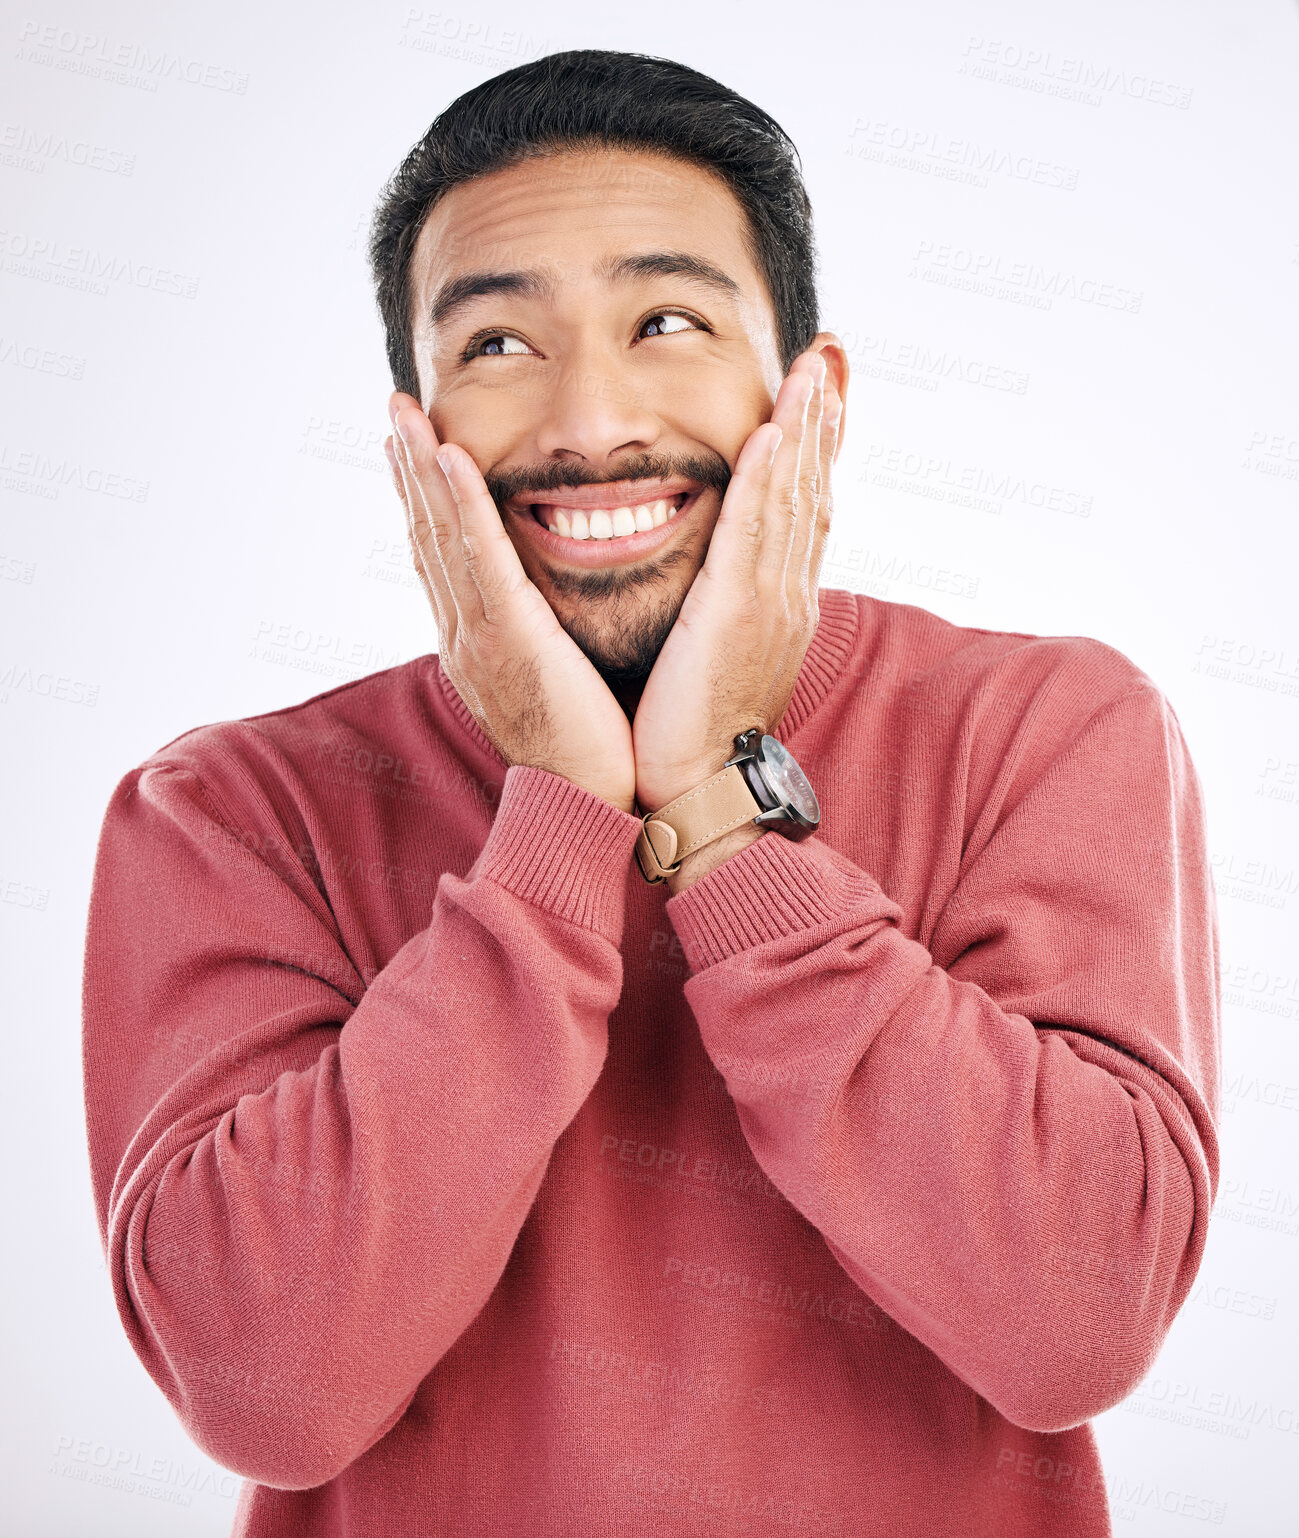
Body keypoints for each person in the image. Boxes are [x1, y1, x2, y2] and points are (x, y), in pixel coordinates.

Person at [82, 49, 1221, 1537]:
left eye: (667, 321)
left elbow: (1074, 1320)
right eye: (497, 345)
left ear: (808, 397)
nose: (588, 421)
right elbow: (267, 1386)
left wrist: (714, 804)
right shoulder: (232, 810)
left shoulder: (1051, 731)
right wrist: (560, 804)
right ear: (413, 435)